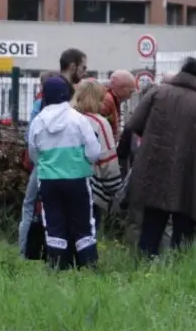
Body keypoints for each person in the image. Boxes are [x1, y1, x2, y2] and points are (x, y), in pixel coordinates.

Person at [127, 57, 196, 256]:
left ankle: (144, 267)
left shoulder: (157, 92)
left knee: (151, 225)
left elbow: (134, 124)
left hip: (154, 170)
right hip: (190, 175)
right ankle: (179, 271)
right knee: (183, 229)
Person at [27, 77, 101, 269]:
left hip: (49, 181)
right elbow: (94, 152)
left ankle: (58, 266)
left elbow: (33, 154)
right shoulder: (78, 119)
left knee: (53, 224)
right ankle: (88, 266)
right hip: (77, 180)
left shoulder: (38, 122)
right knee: (84, 224)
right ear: (67, 95)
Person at [18, 51, 86, 258]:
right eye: (83, 67)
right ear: (73, 67)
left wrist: (41, 160)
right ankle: (59, 254)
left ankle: (31, 253)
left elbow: (33, 135)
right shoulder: (65, 93)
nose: (84, 72)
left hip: (47, 162)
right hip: (66, 164)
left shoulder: (51, 93)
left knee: (34, 205)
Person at [72, 78, 123, 228]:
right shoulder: (99, 123)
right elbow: (107, 158)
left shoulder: (67, 117)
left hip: (60, 179)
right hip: (90, 187)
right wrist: (115, 188)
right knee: (87, 231)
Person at [101, 70, 137, 138]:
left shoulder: (112, 98)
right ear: (121, 88)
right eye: (130, 91)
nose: (129, 96)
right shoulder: (107, 101)